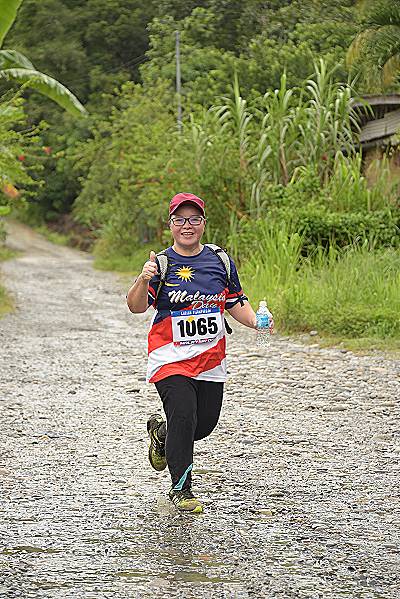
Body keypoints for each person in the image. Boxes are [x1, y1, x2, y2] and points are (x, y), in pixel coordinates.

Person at [126, 192, 272, 513]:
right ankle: (181, 489)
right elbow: (136, 306)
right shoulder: (161, 264)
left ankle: (162, 434)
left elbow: (235, 302)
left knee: (202, 425)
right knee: (183, 414)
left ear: (203, 223)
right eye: (180, 220)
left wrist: (256, 322)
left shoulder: (220, 261)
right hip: (170, 357)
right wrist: (142, 279)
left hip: (210, 360)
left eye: (194, 219)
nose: (187, 226)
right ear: (170, 225)